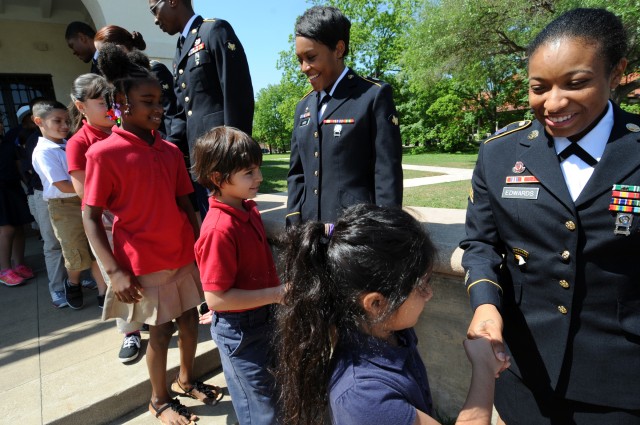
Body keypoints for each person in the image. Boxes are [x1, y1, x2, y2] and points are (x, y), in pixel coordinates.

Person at [460, 8, 640, 424]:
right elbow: (481, 244)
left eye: (576, 83)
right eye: (539, 88)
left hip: (623, 380)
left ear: (616, 73)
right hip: (524, 372)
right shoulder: (499, 152)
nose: (554, 103)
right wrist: (486, 306)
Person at [82, 43, 222, 425]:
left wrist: (200, 249)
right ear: (122, 103)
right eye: (148, 101)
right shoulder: (103, 153)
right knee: (159, 333)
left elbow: (187, 204)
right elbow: (90, 216)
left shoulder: (170, 151)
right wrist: (113, 271)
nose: (159, 108)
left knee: (191, 320)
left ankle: (185, 380)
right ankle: (158, 400)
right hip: (142, 262)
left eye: (161, 100)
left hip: (181, 254)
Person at [276, 204, 506, 425]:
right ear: (376, 303)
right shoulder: (365, 399)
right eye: (422, 285)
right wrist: (484, 368)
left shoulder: (388, 329)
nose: (430, 294)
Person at [191, 126, 282, 424]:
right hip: (242, 333)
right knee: (260, 410)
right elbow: (217, 298)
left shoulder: (247, 209)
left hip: (262, 320)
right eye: (249, 172)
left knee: (272, 397)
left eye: (258, 169)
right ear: (218, 178)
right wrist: (279, 294)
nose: (259, 178)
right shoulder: (219, 229)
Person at [286, 6, 403, 226]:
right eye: (299, 59)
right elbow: (297, 174)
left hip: (355, 235)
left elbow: (386, 173)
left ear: (338, 49)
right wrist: (293, 220)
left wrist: (386, 232)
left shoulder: (372, 96)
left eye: (311, 57)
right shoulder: (303, 106)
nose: (303, 67)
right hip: (310, 234)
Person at [149, 0, 255, 218]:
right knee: (212, 226)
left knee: (232, 229)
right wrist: (165, 151)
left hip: (224, 159)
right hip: (200, 162)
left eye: (154, 10)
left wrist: (235, 157)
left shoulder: (214, 30)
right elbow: (181, 112)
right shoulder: (180, 50)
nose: (155, 19)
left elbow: (238, 95)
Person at [31, 100, 100, 310]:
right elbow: (61, 184)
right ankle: (72, 283)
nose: (64, 126)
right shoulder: (43, 151)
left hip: (83, 199)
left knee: (95, 247)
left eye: (67, 121)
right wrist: (93, 188)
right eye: (57, 121)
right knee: (75, 252)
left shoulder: (68, 144)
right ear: (39, 122)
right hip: (63, 205)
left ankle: (104, 292)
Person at [93, 25, 183, 148]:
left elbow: (172, 111)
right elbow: (118, 116)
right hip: (134, 145)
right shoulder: (116, 83)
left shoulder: (153, 71)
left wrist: (171, 144)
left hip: (161, 143)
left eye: (105, 51)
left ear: (120, 48)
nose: (104, 57)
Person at [0, 116, 35, 286]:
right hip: (0, 193)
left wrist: (27, 184)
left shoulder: (7, 144)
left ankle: (19, 264)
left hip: (14, 189)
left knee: (20, 227)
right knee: (7, 229)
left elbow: (18, 167)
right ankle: (4, 270)